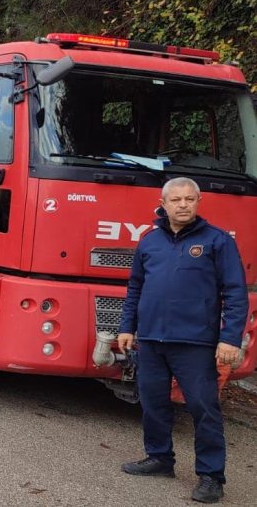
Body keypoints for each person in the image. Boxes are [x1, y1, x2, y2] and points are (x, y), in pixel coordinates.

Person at [117, 177, 247, 504]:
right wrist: (127, 327)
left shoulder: (218, 242)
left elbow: (235, 293)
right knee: (153, 402)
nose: (183, 205)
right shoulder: (150, 242)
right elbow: (135, 288)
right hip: (150, 339)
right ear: (163, 204)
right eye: (176, 200)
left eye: (189, 199)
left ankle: (211, 475)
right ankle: (160, 458)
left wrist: (230, 338)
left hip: (195, 342)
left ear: (198, 202)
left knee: (203, 407)